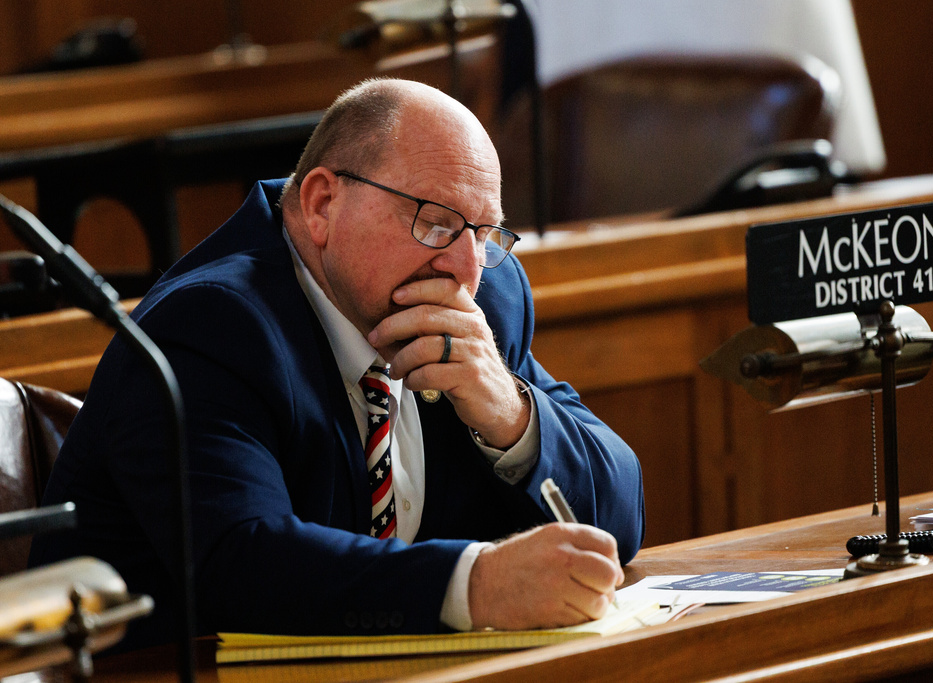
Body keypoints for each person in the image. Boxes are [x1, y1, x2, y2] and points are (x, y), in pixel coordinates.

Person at [30, 78, 645, 649]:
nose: (466, 268)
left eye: (484, 236)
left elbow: (619, 520)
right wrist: (476, 586)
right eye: (436, 223)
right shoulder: (210, 327)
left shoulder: (488, 302)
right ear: (322, 203)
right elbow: (243, 564)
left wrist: (511, 417)